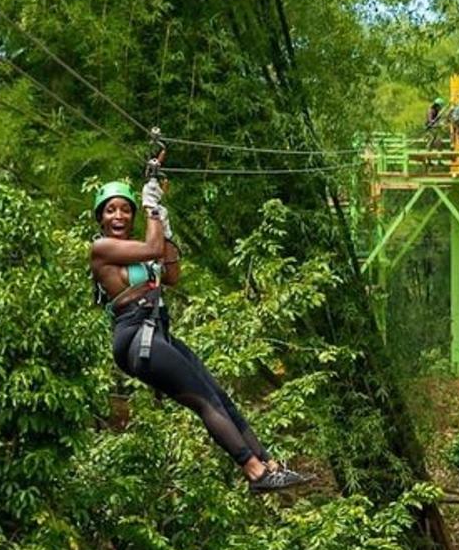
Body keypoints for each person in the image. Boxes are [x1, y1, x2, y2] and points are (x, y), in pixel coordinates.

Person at [89, 179, 311, 493]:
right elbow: (152, 249)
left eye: (126, 210)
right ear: (100, 218)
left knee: (219, 396)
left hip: (156, 332)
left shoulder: (138, 248)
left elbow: (172, 275)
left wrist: (165, 228)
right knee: (205, 401)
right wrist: (152, 206)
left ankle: (268, 463)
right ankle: (254, 471)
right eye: (110, 211)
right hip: (137, 335)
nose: (119, 216)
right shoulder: (101, 249)